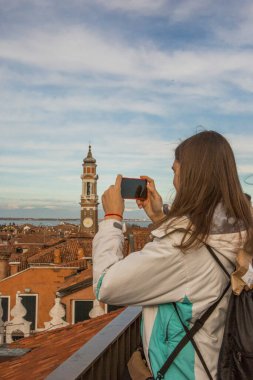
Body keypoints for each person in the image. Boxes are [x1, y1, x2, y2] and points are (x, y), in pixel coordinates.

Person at [92, 131, 253, 380]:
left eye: (175, 171)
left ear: (190, 176)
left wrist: (112, 219)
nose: (174, 181)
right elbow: (196, 264)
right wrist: (160, 218)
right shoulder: (242, 230)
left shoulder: (181, 249)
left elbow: (105, 285)